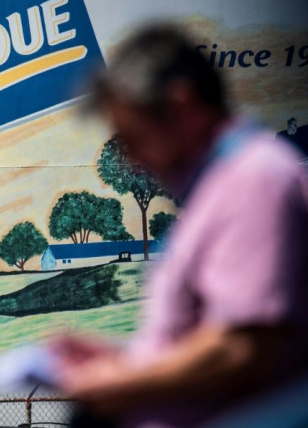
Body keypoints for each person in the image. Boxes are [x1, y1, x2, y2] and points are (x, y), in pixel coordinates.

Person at [53, 24, 308, 427]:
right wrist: (123, 361)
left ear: (181, 105)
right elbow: (211, 338)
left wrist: (123, 383)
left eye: (133, 137)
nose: (129, 160)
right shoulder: (218, 186)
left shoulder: (253, 180)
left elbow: (243, 347)